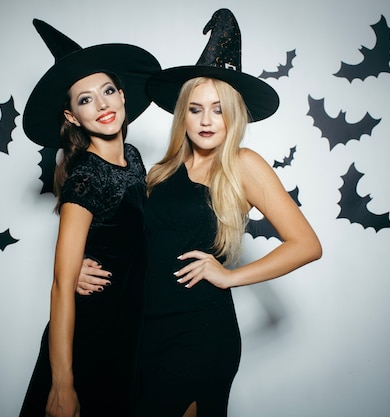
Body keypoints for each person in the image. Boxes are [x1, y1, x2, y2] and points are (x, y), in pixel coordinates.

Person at [135, 9, 321, 417]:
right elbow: (139, 246)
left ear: (234, 114)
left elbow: (306, 245)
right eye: (196, 108)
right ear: (182, 113)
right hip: (146, 330)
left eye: (218, 109)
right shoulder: (160, 172)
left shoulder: (243, 164)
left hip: (200, 332)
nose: (206, 120)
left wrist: (230, 276)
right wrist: (85, 267)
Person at [17, 19, 160, 417]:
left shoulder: (133, 157)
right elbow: (63, 285)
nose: (102, 105)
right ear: (72, 116)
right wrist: (63, 384)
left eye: (108, 91)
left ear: (123, 96)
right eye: (85, 100)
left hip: (127, 331)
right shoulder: (85, 177)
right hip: (90, 335)